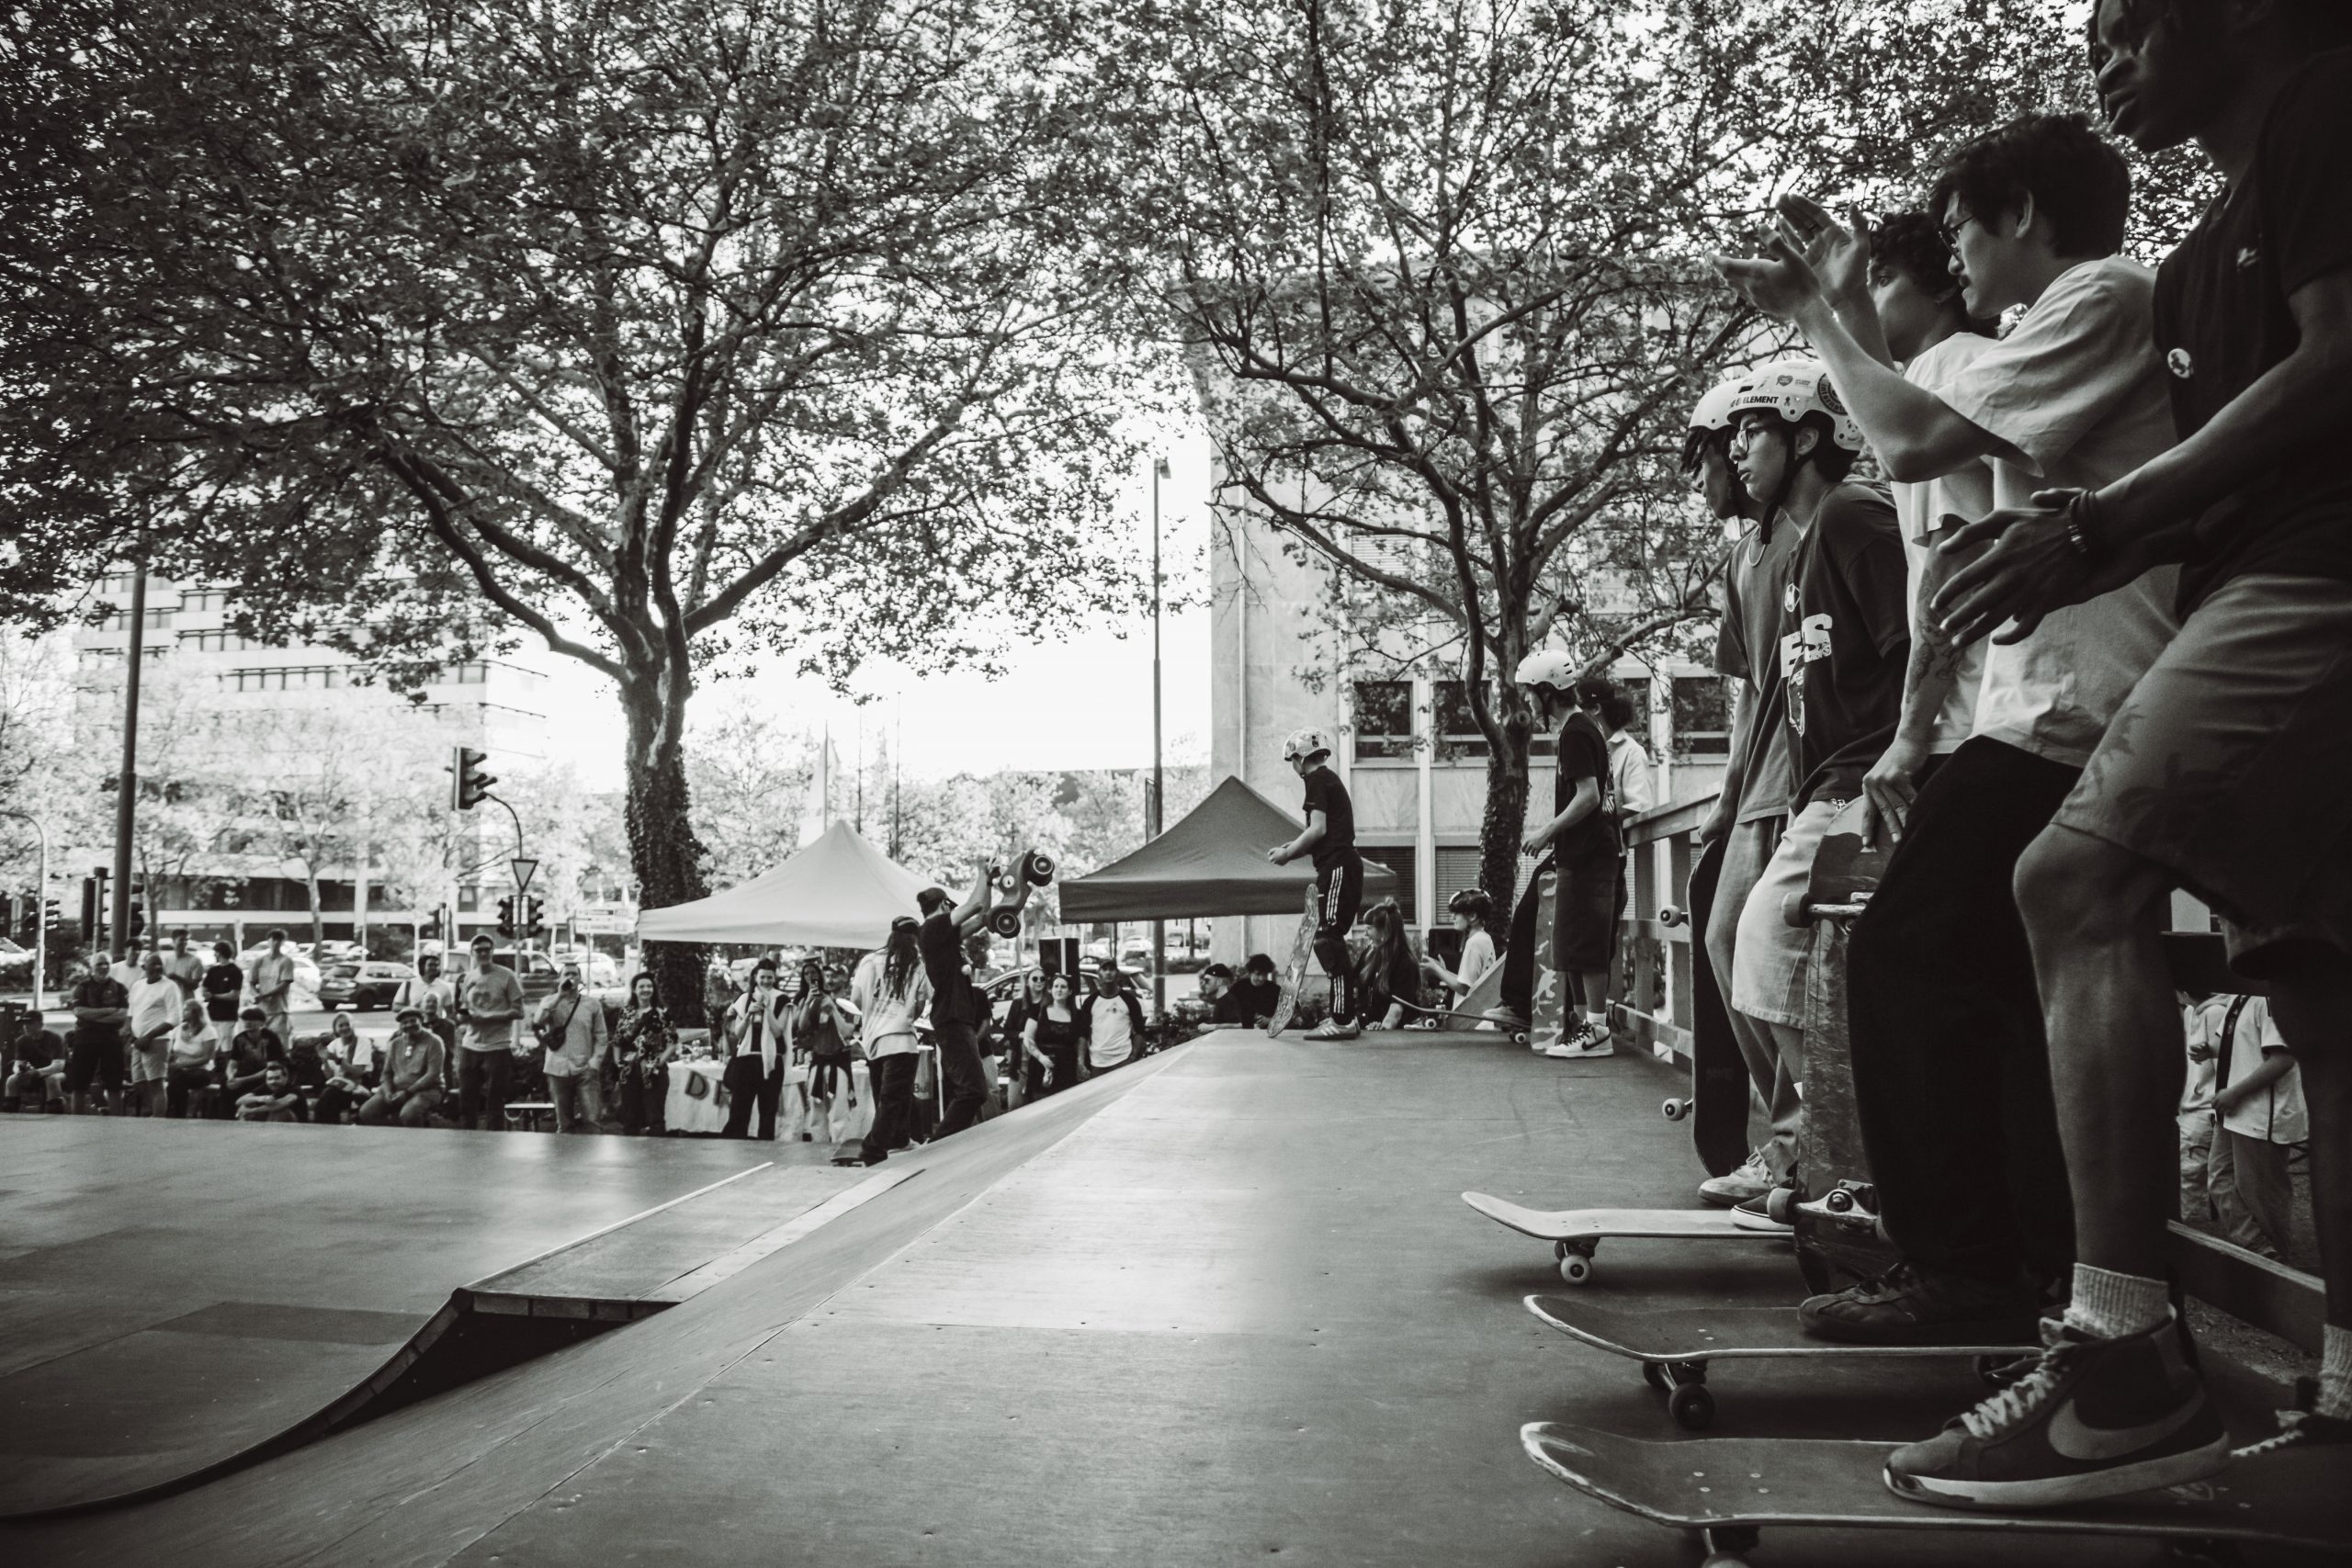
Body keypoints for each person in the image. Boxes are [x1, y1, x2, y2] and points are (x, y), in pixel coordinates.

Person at [1879, 0, 2352, 1501]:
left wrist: (2107, 523)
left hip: (2321, 575)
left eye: (2140, 20)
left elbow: (2343, 372)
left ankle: (2125, 1361)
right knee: (2326, 993)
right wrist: (2082, 549)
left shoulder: (2327, 107)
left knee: (2071, 883)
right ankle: (2345, 1397)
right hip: (2257, 573)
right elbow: (2219, 468)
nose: (2106, 51)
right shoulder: (2211, 252)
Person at [1721, 135, 2180, 1335]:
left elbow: (1920, 456)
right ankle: (2016, 1252)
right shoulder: (2033, 336)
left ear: (2018, 214)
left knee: (1902, 949)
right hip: (2035, 710)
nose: (1960, 264)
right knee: (1977, 974)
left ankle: (1971, 1256)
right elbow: (1934, 484)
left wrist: (1823, 313)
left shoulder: (2093, 299)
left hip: (2068, 709)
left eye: (1960, 234)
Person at [1714, 360, 1907, 1227]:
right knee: (1775, 962)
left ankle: (1845, 1159)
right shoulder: (1794, 555)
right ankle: (1832, 1153)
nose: (1736, 448)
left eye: (1753, 430)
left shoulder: (1855, 513)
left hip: (1869, 783)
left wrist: (1899, 766)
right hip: (1824, 790)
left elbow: (1916, 645)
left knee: (1761, 941)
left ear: (1804, 436)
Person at [1685, 372, 1804, 1207]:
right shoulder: (1741, 559)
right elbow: (1751, 693)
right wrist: (1727, 799)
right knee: (1726, 941)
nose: (1702, 480)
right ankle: (1795, 1132)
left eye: (1705, 462)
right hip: (1759, 783)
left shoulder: (1818, 529)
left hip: (1811, 780)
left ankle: (1810, 1140)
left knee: (1776, 957)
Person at [1497, 661, 1620, 1060]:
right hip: (1580, 854)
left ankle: (1598, 1030)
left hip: (1589, 855)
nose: (1529, 703)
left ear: (1548, 692)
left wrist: (1546, 831)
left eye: (1532, 693)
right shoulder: (1581, 729)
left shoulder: (1576, 732)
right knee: (1571, 944)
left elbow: (1589, 795)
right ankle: (1588, 1027)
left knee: (1586, 942)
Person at [1266, 728, 1365, 1040]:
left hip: (1337, 866)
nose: (1293, 767)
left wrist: (1287, 854)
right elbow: (1320, 832)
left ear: (1299, 758)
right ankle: (1343, 1016)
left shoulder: (1317, 779)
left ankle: (1343, 1019)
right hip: (1340, 865)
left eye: (1292, 761)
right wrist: (1293, 846)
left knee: (1327, 937)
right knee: (1329, 937)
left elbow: (1318, 829)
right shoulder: (1329, 779)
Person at [844, 916, 932, 1165]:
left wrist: (875, 1013)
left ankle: (900, 1140)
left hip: (873, 1041)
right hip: (901, 1040)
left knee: (891, 1096)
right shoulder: (916, 964)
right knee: (892, 1099)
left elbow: (857, 999)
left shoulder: (869, 961)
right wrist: (903, 1013)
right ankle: (872, 1150)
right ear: (914, 938)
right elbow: (921, 1004)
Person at [917, 868, 995, 1139]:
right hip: (950, 1018)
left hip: (956, 1017)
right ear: (944, 905)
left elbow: (983, 914)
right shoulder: (932, 927)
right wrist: (981, 873)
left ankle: (942, 1142)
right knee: (974, 1091)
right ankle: (938, 1144)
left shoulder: (945, 936)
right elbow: (974, 905)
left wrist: (993, 883)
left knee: (972, 1090)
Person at [454, 934, 527, 1131]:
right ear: (472, 953)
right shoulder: (469, 977)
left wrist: (488, 1017)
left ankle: (493, 1147)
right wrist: (463, 1018)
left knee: (495, 1101)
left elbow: (519, 1012)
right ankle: (468, 1145)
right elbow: (463, 1008)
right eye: (479, 950)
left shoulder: (507, 976)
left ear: (493, 951)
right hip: (471, 1046)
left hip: (497, 1046)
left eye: (487, 949)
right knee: (467, 1099)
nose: (484, 953)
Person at [534, 961, 609, 1134]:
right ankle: (564, 1159)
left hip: (585, 1068)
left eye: (574, 974)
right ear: (560, 979)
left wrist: (595, 1061)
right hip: (557, 1068)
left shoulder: (592, 1004)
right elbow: (538, 1020)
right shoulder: (549, 1001)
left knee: (592, 1122)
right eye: (566, 974)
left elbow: (601, 1036)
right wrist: (559, 996)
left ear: (580, 979)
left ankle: (593, 1158)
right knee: (564, 1124)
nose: (570, 978)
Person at [790, 960, 858, 1144]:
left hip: (839, 1063)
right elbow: (802, 1027)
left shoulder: (848, 1004)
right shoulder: (814, 1001)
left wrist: (834, 1008)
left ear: (843, 978)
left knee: (839, 1114)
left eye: (833, 976)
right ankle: (818, 1151)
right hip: (818, 1062)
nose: (829, 980)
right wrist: (807, 1003)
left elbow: (847, 1031)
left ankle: (839, 1150)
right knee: (816, 1114)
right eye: (826, 976)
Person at [720, 959, 789, 1140]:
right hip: (746, 1060)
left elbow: (777, 1031)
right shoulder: (744, 999)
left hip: (771, 1061)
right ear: (755, 977)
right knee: (739, 1111)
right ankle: (735, 1147)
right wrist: (749, 1013)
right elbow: (738, 1032)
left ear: (774, 978)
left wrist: (766, 1008)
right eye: (762, 977)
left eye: (769, 977)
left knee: (767, 1112)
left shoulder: (782, 999)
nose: (766, 981)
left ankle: (765, 1151)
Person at [611, 973, 678, 1136]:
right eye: (641, 986)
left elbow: (672, 1043)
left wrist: (658, 1063)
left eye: (649, 986)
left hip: (653, 1071)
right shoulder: (626, 1012)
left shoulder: (663, 1013)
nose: (646, 990)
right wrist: (618, 1063)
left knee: (655, 1116)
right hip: (629, 1070)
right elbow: (617, 1040)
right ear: (634, 990)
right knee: (630, 1117)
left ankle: (656, 1156)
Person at [359, 1007, 447, 1127]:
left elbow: (432, 1075)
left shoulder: (434, 1041)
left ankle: (417, 1141)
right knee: (367, 1112)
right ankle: (392, 1137)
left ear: (421, 1021)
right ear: (400, 1026)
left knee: (409, 1114)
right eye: (404, 1023)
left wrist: (407, 1092)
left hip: (428, 1090)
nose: (409, 1025)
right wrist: (388, 1092)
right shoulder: (395, 1044)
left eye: (413, 1021)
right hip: (396, 1090)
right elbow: (386, 1073)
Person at [63, 957, 130, 1116]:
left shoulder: (119, 988)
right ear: (92, 967)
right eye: (99, 964)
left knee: (114, 1084)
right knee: (79, 1083)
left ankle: (116, 1122)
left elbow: (122, 1014)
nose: (103, 967)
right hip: (86, 1038)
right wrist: (108, 1011)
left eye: (106, 963)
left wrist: (92, 1015)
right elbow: (79, 1011)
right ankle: (76, 1119)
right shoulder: (82, 987)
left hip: (111, 1039)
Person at [1420, 890, 1499, 1014]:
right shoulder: (1485, 939)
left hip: (1470, 1022)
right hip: (1480, 1020)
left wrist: (1436, 970)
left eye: (1457, 914)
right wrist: (1444, 971)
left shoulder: (1474, 943)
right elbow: (1470, 983)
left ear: (1473, 916)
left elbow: (1463, 989)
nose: (1453, 917)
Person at [125, 950, 182, 1116]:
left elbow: (175, 1018)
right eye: (153, 964)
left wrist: (149, 1036)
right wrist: (128, 1030)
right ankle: (153, 1114)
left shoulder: (169, 986)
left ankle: (158, 1121)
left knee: (156, 1083)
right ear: (144, 966)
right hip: (137, 1040)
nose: (157, 968)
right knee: (139, 1083)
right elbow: (131, 1010)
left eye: (160, 965)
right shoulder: (138, 985)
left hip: (157, 1040)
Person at [1355, 899, 1423, 1030]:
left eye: (1369, 928)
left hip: (1398, 1036)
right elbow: (1353, 986)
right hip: (1371, 1030)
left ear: (1385, 932)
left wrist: (1384, 1029)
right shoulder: (1368, 954)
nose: (1365, 934)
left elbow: (1396, 1010)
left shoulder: (1404, 963)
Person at [1022, 971, 1084, 1100]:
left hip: (1067, 1067)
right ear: (1050, 990)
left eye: (1063, 987)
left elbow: (1081, 1040)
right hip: (1041, 1065)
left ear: (1070, 991)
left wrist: (1080, 1063)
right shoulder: (1038, 1011)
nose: (1059, 990)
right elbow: (1028, 1039)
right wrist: (1041, 1057)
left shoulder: (1077, 1015)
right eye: (1056, 986)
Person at [216, 1005, 285, 1116]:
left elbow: (271, 1067)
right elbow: (233, 1062)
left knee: (258, 1083)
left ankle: (252, 1114)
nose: (248, 1023)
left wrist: (242, 1080)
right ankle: (226, 1116)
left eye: (252, 1020)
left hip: (268, 1073)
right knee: (226, 1083)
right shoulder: (239, 1038)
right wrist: (231, 1077)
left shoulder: (270, 1037)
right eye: (246, 1020)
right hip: (249, 1071)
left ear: (261, 1023)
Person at [1080, 964, 1146, 1077]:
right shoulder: (1090, 1002)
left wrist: (1132, 1058)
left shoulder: (1130, 1000)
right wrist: (1080, 1062)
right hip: (1097, 1063)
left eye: (1112, 969)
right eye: (1104, 969)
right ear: (1099, 973)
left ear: (1118, 973)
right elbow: (1083, 1034)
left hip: (1123, 1060)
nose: (1108, 972)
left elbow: (1140, 1032)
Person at [164, 998, 219, 1117]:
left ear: (195, 1012)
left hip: (202, 1071)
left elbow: (206, 1058)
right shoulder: (178, 1029)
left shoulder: (209, 1031)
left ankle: (170, 1112)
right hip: (179, 1071)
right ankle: (177, 1114)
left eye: (185, 1010)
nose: (182, 1013)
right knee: (178, 1079)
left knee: (178, 1077)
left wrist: (182, 1065)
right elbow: (171, 1051)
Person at [5, 1010, 66, 1112]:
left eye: (30, 1023)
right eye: (24, 1024)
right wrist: (20, 1071)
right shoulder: (22, 1041)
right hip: (34, 1074)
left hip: (59, 1072)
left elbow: (59, 1065)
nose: (26, 1026)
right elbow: (19, 1062)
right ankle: (11, 1115)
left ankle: (55, 1113)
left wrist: (37, 1072)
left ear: (41, 1024)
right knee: (12, 1080)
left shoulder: (55, 1038)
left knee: (51, 1080)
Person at [249, 930, 299, 1047]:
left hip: (280, 1010)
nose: (275, 943)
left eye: (278, 940)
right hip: (262, 1011)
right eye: (273, 939)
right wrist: (255, 994)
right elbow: (251, 982)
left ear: (282, 942)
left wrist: (265, 995)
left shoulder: (286, 961)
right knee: (262, 1044)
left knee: (281, 1044)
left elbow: (284, 984)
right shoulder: (259, 961)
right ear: (268, 941)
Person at [1213, 954, 1283, 1027]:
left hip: (1266, 1033)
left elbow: (1287, 1013)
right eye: (1258, 974)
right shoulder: (1238, 987)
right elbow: (1226, 1010)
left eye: (1265, 975)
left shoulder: (1275, 989)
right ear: (1250, 972)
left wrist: (1270, 1020)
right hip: (1240, 1032)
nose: (1261, 978)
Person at [233, 1059, 308, 1122]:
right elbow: (239, 1101)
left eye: (277, 1078)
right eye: (270, 1079)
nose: (273, 1082)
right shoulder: (265, 1087)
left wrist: (251, 1111)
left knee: (280, 1111)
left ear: (286, 1078)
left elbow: (281, 1104)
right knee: (247, 1104)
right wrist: (261, 1098)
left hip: (297, 1127)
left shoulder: (294, 1089)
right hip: (272, 1122)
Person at [200, 942, 243, 1043]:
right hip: (212, 1014)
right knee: (212, 1043)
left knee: (226, 1044)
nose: (214, 955)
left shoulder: (235, 971)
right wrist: (205, 993)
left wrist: (214, 996)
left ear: (219, 953)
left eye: (215, 952)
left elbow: (234, 995)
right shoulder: (213, 970)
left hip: (228, 1015)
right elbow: (204, 986)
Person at [395, 951, 454, 1017]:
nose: (434, 968)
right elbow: (395, 1007)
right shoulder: (409, 984)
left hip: (436, 1026)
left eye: (436, 965)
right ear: (422, 966)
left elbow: (450, 1013)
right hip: (413, 1025)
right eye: (430, 965)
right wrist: (413, 1009)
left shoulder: (444, 987)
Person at [164, 931, 206, 999]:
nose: (185, 942)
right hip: (170, 1003)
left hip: (186, 1003)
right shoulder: (167, 960)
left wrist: (177, 977)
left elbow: (195, 986)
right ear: (173, 941)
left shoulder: (195, 960)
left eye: (186, 940)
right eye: (181, 939)